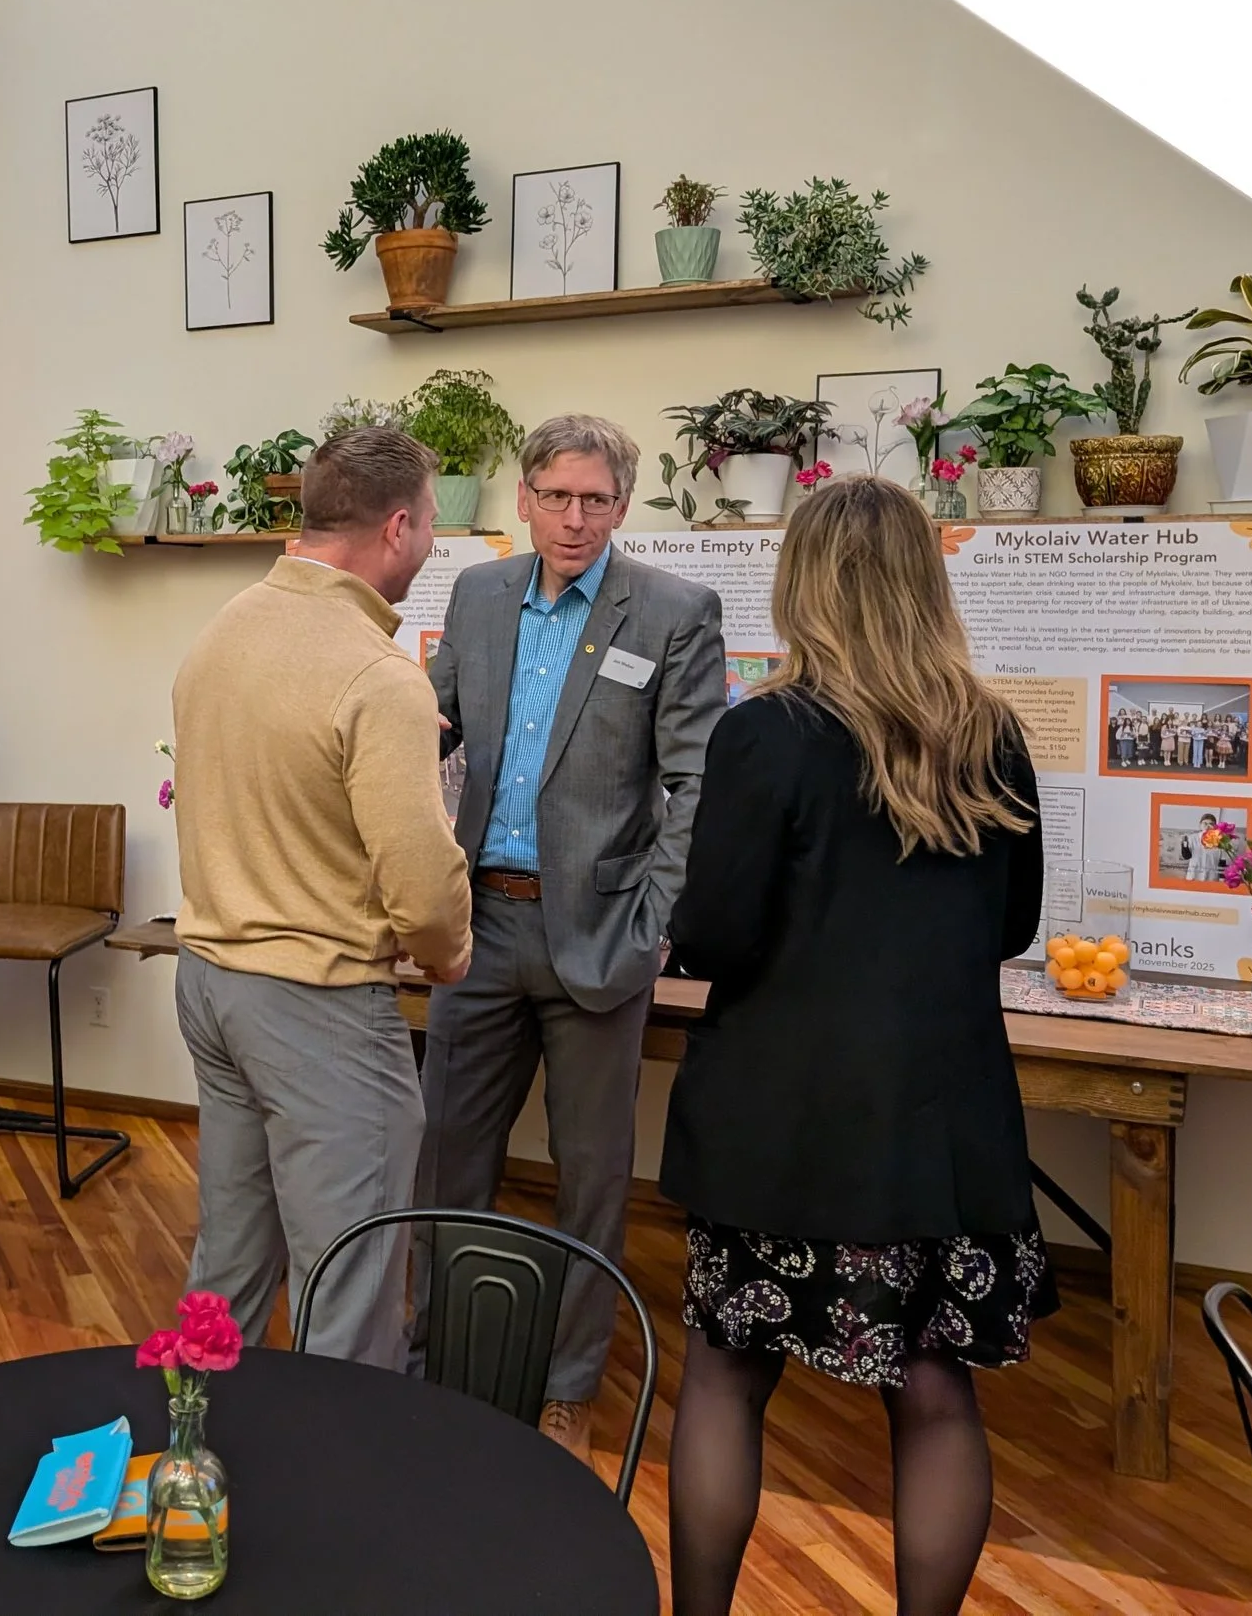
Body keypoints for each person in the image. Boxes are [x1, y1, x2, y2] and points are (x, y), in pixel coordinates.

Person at [660, 475, 1053, 1616]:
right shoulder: (992, 734)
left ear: (802, 586)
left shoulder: (765, 733)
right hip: (942, 1124)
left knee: (729, 1373)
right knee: (934, 1390)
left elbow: (716, 932)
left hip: (782, 1119)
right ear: (925, 586)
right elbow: (1013, 924)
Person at [416, 413, 725, 1460]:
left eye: (595, 499)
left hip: (599, 939)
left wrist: (655, 922)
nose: (574, 517)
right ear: (523, 498)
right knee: (448, 1159)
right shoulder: (475, 595)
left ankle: (567, 1385)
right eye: (555, 495)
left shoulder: (674, 611)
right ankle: (437, 1365)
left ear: (622, 505)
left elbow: (696, 780)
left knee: (592, 1180)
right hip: (479, 928)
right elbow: (426, 735)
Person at [170, 427, 471, 1367]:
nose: (427, 546)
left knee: (229, 1257)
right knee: (350, 1280)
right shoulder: (380, 677)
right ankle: (342, 1494)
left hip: (210, 980)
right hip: (317, 1005)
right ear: (396, 526)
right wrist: (448, 952)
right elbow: (421, 889)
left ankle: (194, 1456)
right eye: (428, 527)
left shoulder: (221, 632)